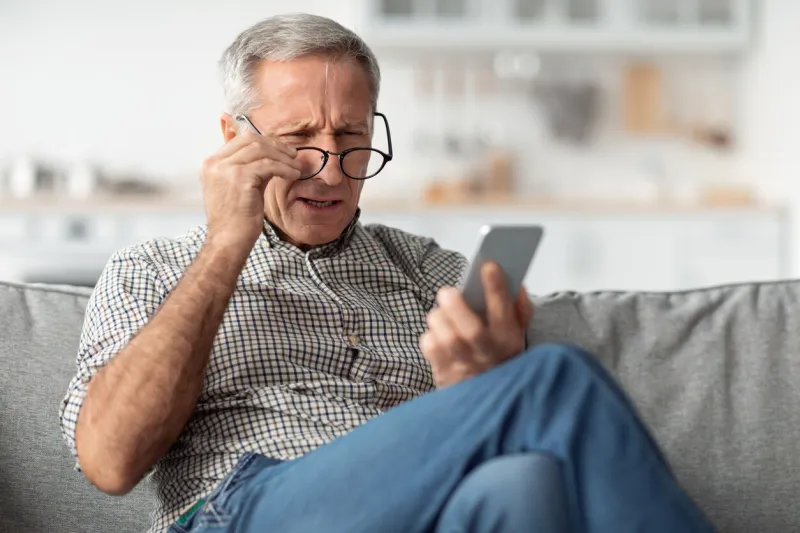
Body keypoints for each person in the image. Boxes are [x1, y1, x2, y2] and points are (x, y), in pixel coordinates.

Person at [59, 13, 715, 533]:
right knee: (557, 378)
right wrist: (229, 241)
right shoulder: (152, 269)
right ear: (235, 138)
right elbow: (111, 460)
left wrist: (478, 383)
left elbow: (469, 428)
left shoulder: (426, 267)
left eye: (351, 137)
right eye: (298, 139)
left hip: (419, 507)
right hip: (247, 507)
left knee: (525, 484)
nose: (329, 166)